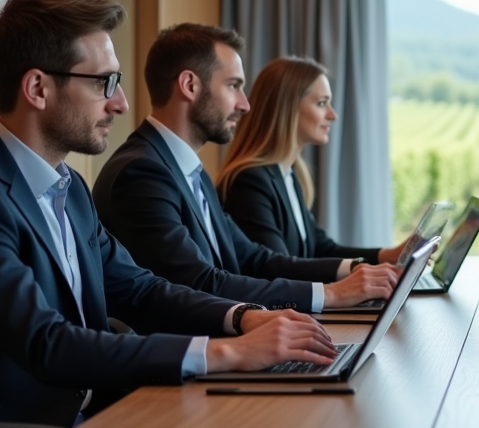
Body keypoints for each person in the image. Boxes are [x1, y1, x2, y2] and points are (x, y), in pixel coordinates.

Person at [0, 0, 336, 428]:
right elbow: (47, 343)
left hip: (88, 422)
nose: (121, 103)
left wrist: (244, 319)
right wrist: (227, 352)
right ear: (38, 88)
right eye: (105, 82)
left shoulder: (68, 188)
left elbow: (139, 289)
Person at [92, 24, 396, 314]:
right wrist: (332, 294)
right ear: (190, 85)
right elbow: (199, 284)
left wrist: (355, 270)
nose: (245, 104)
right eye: (234, 86)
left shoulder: (187, 171)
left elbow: (254, 258)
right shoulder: (142, 173)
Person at [215, 56, 408, 263]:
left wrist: (386, 256)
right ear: (286, 109)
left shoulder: (288, 174)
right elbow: (279, 269)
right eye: (322, 103)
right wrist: (355, 275)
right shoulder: (249, 183)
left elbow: (320, 248)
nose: (333, 115)